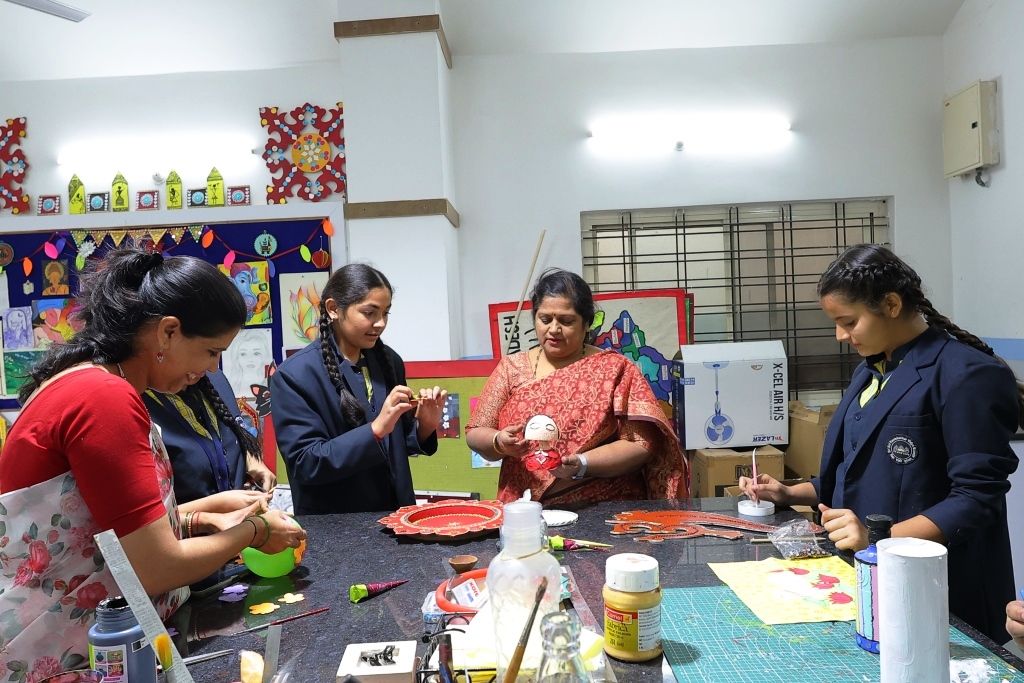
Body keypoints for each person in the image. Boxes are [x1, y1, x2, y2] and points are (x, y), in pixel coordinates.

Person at [0, 248, 306, 679]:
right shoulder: (104, 397)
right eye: (211, 351)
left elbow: (99, 532)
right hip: (57, 654)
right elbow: (156, 568)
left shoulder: (90, 383)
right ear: (168, 332)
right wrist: (256, 531)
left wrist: (203, 515)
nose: (211, 368)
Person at [739, 244, 1022, 644]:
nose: (841, 336)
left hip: (944, 591)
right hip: (871, 581)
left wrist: (880, 540)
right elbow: (858, 474)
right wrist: (789, 492)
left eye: (849, 322)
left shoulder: (967, 374)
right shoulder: (871, 371)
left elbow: (977, 498)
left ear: (891, 304)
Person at [466, 268, 688, 507]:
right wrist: (498, 441)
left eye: (566, 321)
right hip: (526, 509)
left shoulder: (614, 369)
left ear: (587, 323)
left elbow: (641, 444)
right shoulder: (512, 368)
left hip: (603, 507)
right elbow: (475, 431)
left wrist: (583, 464)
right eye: (545, 319)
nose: (554, 329)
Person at [271, 263, 447, 514]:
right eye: (369, 312)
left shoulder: (389, 361)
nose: (380, 323)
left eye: (386, 313)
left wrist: (424, 427)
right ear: (333, 309)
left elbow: (397, 445)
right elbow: (305, 463)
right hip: (335, 523)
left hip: (396, 515)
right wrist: (375, 430)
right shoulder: (294, 375)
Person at [144, 368, 276, 504]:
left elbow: (234, 431)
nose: (213, 366)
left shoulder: (212, 377)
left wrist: (252, 461)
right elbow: (149, 512)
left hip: (241, 512)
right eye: (210, 355)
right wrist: (217, 505)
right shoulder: (139, 401)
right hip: (191, 517)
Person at [222, 328, 273, 398]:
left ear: (264, 355)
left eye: (256, 353)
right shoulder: (230, 385)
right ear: (236, 357)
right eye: (243, 354)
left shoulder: (271, 384)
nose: (250, 359)